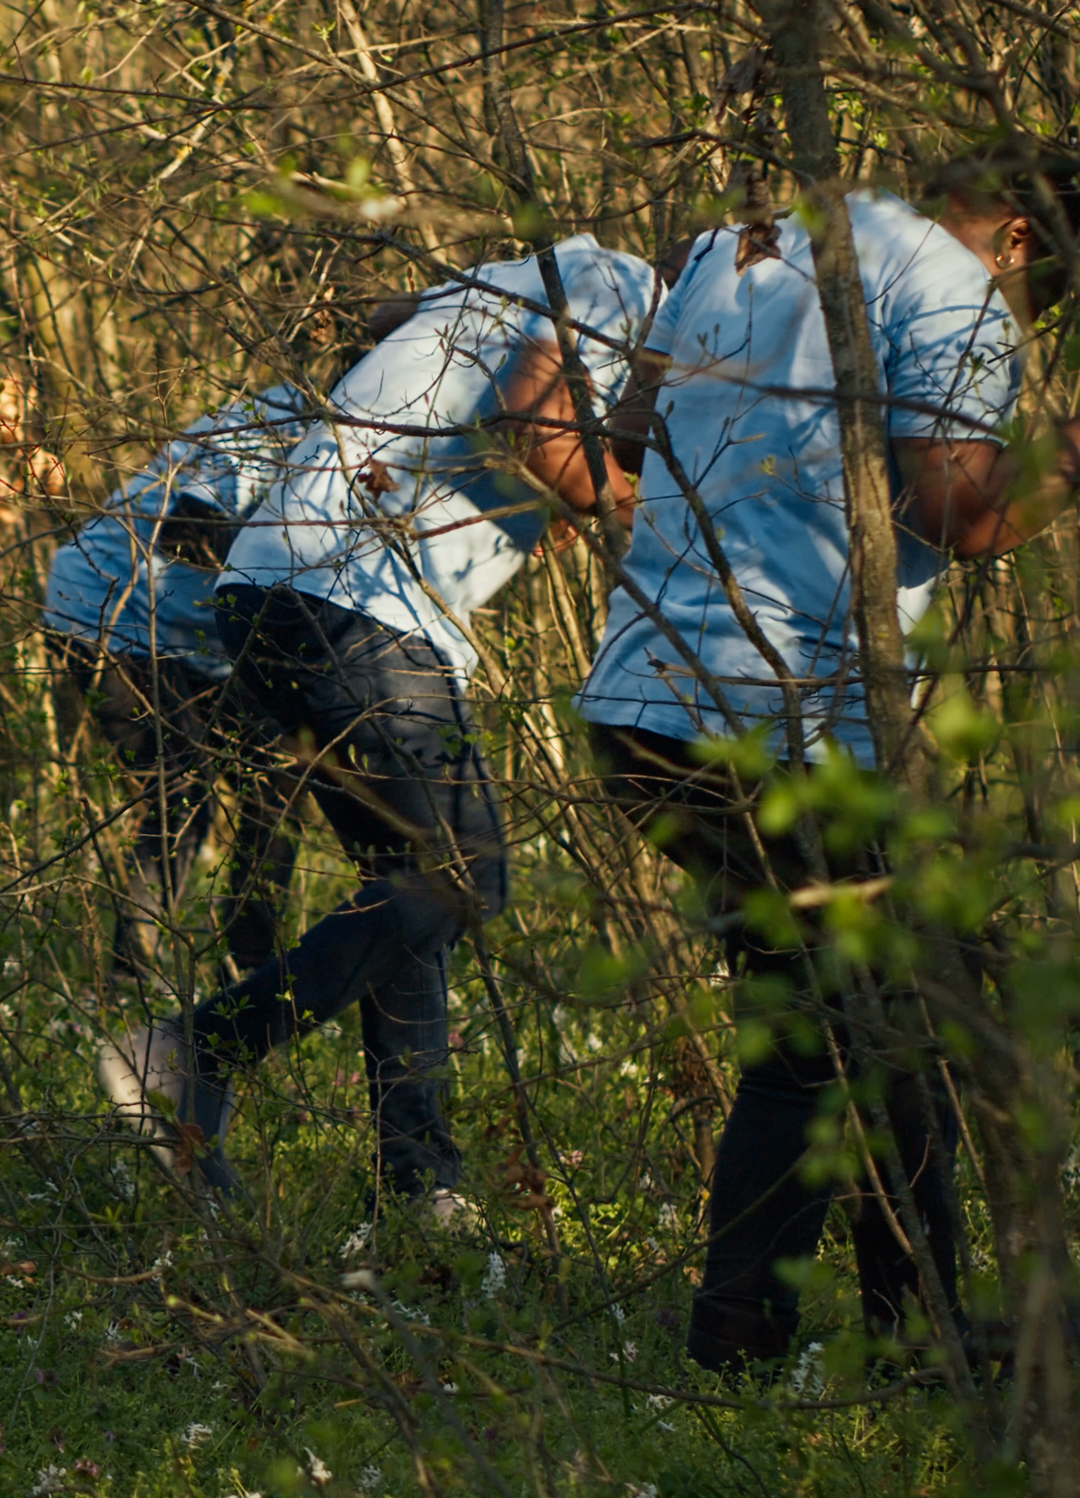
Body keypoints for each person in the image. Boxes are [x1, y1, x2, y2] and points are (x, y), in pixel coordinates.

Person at [578, 152, 1080, 1371]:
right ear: (1018, 238)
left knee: (875, 1016)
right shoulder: (955, 286)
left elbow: (628, 429)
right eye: (1042, 297)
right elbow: (961, 513)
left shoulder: (745, 241)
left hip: (645, 701)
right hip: (780, 711)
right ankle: (754, 1350)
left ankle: (918, 1329)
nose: (1027, 321)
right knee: (838, 1032)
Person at [100, 233, 662, 1210]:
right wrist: (625, 504)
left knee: (405, 891)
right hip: (358, 601)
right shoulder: (623, 284)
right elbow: (538, 428)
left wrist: (525, 471)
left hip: (271, 592)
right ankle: (194, 1051)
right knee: (464, 876)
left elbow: (389, 322)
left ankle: (418, 1184)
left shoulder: (509, 285)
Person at [47, 390, 309, 989]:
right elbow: (188, 532)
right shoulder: (272, 425)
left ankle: (248, 972)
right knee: (183, 786)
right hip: (109, 614)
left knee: (281, 780)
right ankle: (130, 975)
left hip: (196, 640)